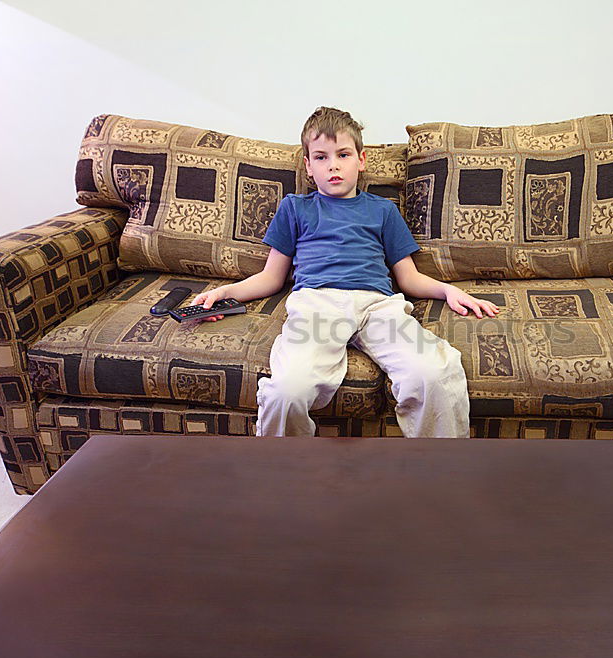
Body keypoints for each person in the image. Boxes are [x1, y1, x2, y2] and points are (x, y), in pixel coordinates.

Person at [189, 106, 499, 437]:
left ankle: (441, 475)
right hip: (316, 306)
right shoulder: (296, 207)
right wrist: (223, 292)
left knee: (434, 371)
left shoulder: (383, 210)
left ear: (360, 160)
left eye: (343, 154)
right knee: (287, 391)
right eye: (321, 157)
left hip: (377, 306)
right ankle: (282, 476)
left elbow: (408, 278)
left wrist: (450, 290)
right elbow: (270, 278)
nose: (333, 164)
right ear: (308, 166)